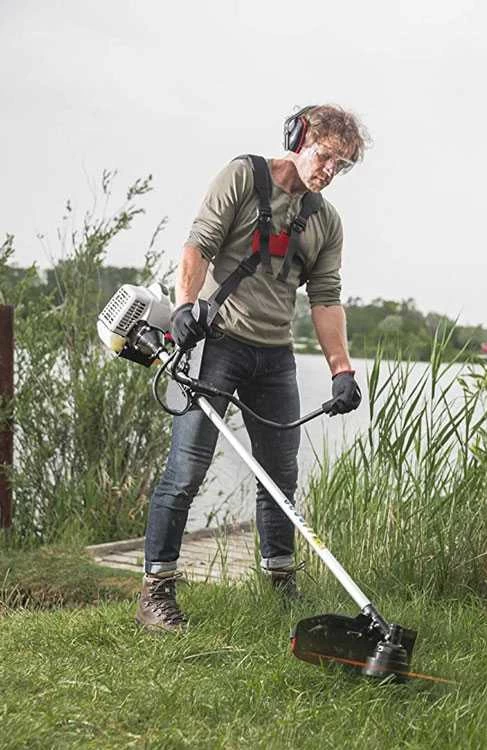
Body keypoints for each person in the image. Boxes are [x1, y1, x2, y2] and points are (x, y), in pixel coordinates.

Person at [135, 104, 366, 632]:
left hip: (275, 355)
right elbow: (198, 245)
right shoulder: (243, 176)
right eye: (326, 156)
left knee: (280, 477)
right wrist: (186, 306)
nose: (330, 171)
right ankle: (156, 592)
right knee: (187, 470)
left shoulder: (326, 221)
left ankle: (281, 585)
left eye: (343, 165)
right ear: (299, 138)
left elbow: (326, 299)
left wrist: (342, 370)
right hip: (216, 343)